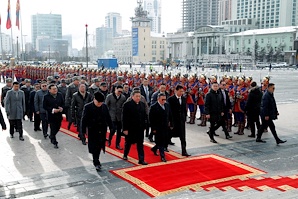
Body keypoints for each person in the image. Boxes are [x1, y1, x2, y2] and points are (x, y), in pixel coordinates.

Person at [81, 92, 114, 171]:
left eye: (101, 102)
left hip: (102, 129)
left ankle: (96, 159)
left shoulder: (104, 106)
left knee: (99, 146)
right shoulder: (88, 107)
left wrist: (111, 126)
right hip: (93, 130)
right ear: (94, 100)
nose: (100, 104)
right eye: (98, 102)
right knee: (94, 146)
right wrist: (83, 131)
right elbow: (84, 120)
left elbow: (108, 117)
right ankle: (96, 161)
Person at [122, 90, 148, 165]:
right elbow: (124, 118)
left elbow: (144, 116)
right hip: (131, 128)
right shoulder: (127, 105)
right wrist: (125, 129)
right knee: (128, 142)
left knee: (140, 144)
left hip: (140, 128)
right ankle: (125, 154)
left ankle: (141, 159)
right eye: (136, 96)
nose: (138, 98)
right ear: (132, 96)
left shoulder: (142, 104)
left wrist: (145, 125)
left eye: (139, 96)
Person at [168, 85, 190, 156]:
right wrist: (169, 121)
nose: (181, 93)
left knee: (183, 136)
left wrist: (185, 117)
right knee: (169, 134)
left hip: (181, 121)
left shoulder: (183, 99)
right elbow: (169, 111)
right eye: (180, 91)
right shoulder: (171, 99)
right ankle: (161, 147)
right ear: (176, 91)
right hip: (173, 121)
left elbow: (184, 109)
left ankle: (184, 151)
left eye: (182, 91)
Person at [149, 93, 172, 162]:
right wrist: (153, 129)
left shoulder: (167, 105)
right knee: (161, 142)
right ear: (158, 99)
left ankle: (155, 148)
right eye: (162, 99)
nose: (164, 101)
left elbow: (170, 115)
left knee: (164, 141)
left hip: (165, 127)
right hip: (158, 128)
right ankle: (162, 156)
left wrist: (171, 124)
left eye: (165, 99)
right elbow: (151, 119)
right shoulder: (153, 107)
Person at [43, 84, 65, 149]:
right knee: (53, 127)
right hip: (51, 115)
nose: (55, 90)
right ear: (49, 90)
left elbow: (63, 103)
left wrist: (62, 108)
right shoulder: (46, 97)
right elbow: (45, 106)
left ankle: (51, 136)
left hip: (59, 115)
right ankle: (54, 141)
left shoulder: (60, 95)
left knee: (58, 127)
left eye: (56, 88)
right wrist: (53, 110)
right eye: (53, 89)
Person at [105, 85, 126, 149]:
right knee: (112, 129)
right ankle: (109, 139)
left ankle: (117, 144)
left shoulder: (123, 97)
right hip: (112, 116)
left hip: (119, 117)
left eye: (121, 91)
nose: (119, 92)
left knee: (119, 132)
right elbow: (106, 106)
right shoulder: (110, 96)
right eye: (119, 91)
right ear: (115, 89)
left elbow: (124, 106)